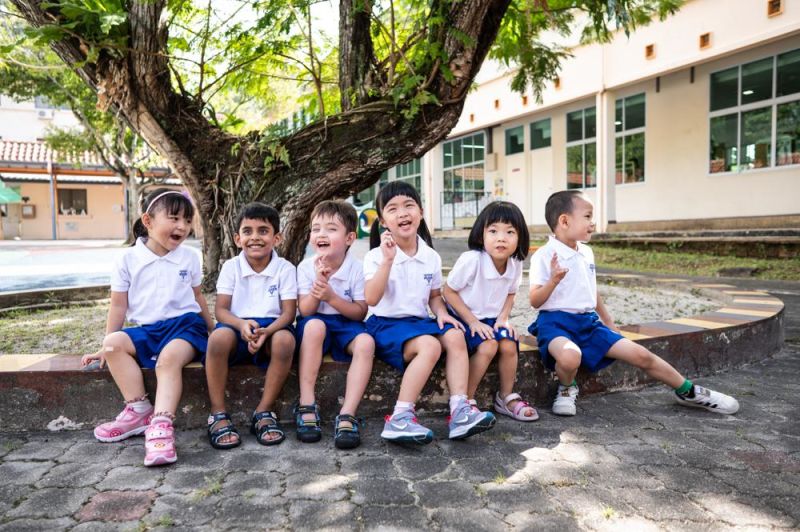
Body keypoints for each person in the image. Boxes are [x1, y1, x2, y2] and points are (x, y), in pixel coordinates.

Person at [528, 190, 739, 416]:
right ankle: (568, 388)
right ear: (564, 220)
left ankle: (688, 391)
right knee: (571, 357)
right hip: (555, 324)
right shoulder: (544, 255)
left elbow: (590, 290)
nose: (593, 222)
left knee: (641, 355)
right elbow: (535, 300)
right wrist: (553, 281)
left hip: (587, 324)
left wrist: (608, 321)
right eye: (588, 216)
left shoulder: (586, 252)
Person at [82, 188, 213, 467]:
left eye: (188, 221)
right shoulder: (126, 259)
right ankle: (139, 410)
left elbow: (198, 297)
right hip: (148, 330)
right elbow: (118, 306)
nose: (182, 226)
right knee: (113, 344)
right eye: (174, 218)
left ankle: (162, 423)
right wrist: (104, 345)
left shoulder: (189, 257)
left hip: (186, 327)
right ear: (148, 221)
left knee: (167, 361)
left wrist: (213, 329)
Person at [363, 181, 496, 444]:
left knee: (455, 335)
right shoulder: (377, 256)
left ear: (421, 213)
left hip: (418, 322)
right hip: (386, 324)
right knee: (430, 347)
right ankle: (400, 417)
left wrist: (442, 313)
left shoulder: (431, 256)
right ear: (383, 222)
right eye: (393, 209)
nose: (402, 213)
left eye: (409, 205)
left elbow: (435, 296)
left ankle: (460, 411)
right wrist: (388, 261)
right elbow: (371, 298)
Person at [204, 202, 297, 448]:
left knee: (286, 341)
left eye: (263, 231)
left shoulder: (285, 269)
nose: (255, 237)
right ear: (237, 238)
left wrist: (269, 331)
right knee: (217, 339)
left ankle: (264, 412)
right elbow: (221, 310)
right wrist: (241, 325)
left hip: (273, 327)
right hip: (236, 326)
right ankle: (218, 414)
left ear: (276, 238)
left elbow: (289, 313)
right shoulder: (230, 267)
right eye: (247, 231)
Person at [443, 201, 538, 422]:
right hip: (461, 317)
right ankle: (465, 401)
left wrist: (503, 319)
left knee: (508, 342)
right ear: (480, 235)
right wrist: (472, 321)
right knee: (489, 345)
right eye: (493, 231)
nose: (501, 238)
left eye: (510, 232)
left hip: (490, 319)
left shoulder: (515, 263)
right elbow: (448, 291)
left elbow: (511, 293)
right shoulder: (472, 260)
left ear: (520, 237)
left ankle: (505, 397)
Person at [295, 200, 375, 449]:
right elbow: (305, 311)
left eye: (331, 229)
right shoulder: (306, 268)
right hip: (314, 323)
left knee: (366, 342)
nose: (321, 234)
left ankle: (347, 414)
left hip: (345, 322)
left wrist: (332, 298)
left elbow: (360, 313)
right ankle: (306, 403)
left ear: (350, 237)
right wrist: (319, 285)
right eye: (316, 228)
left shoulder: (357, 268)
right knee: (315, 326)